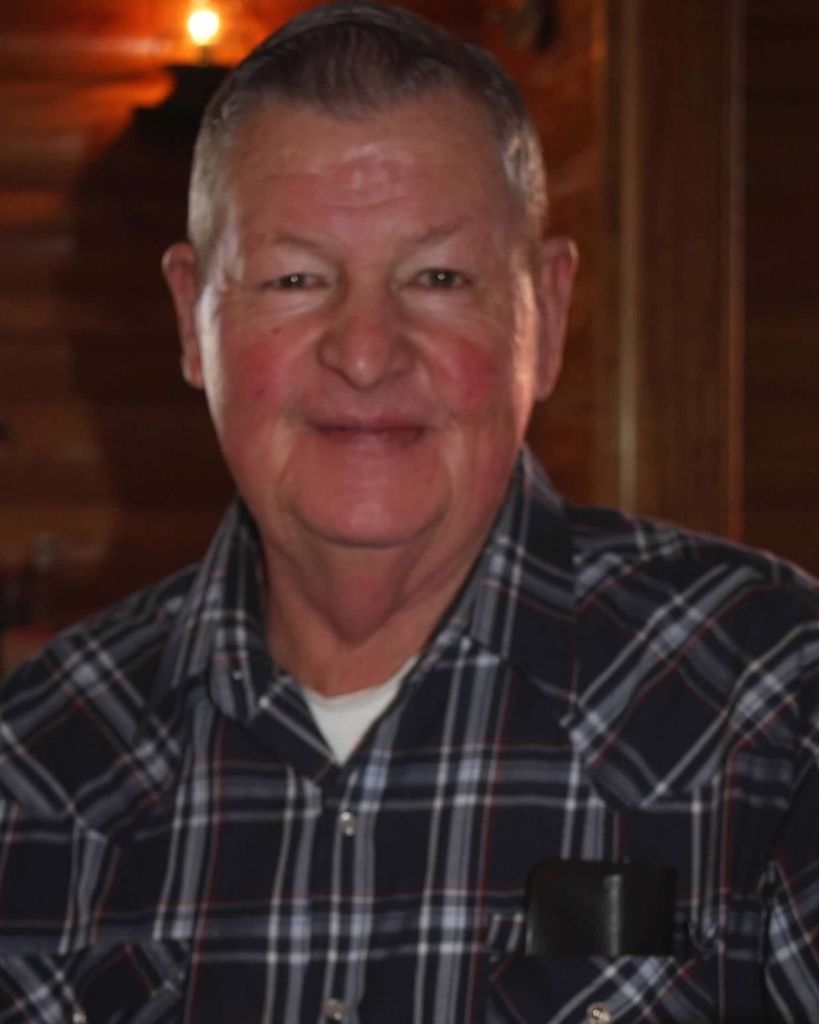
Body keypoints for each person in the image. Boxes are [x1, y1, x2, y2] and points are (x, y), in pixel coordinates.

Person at [1, 3, 818, 1022]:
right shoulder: (37, 760)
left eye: (437, 276)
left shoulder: (772, 699)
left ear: (545, 315)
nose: (365, 352)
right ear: (191, 320)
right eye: (295, 278)